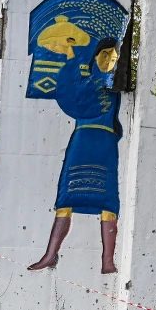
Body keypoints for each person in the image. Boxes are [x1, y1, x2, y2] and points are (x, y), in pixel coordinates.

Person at [27, 36, 123, 275]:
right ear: (95, 57)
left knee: (108, 200)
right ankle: (50, 255)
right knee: (66, 198)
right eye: (104, 55)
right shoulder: (87, 80)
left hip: (104, 143)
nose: (109, 60)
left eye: (113, 57)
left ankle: (107, 260)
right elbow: (71, 94)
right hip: (82, 141)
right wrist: (70, 55)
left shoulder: (114, 83)